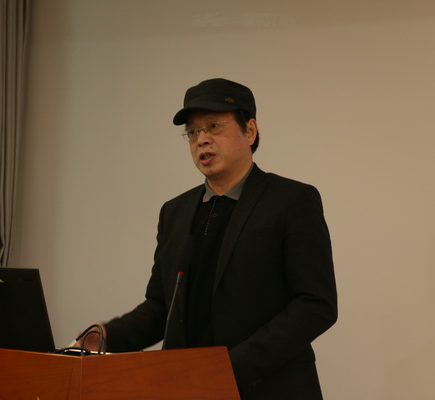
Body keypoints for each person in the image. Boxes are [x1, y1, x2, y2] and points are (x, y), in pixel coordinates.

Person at [79, 78, 337, 399]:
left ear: (250, 131)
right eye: (193, 132)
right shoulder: (174, 211)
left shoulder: (290, 200)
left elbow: (315, 304)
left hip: (269, 387)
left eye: (214, 126)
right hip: (186, 388)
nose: (202, 140)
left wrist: (230, 369)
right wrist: (105, 336)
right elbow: (161, 307)